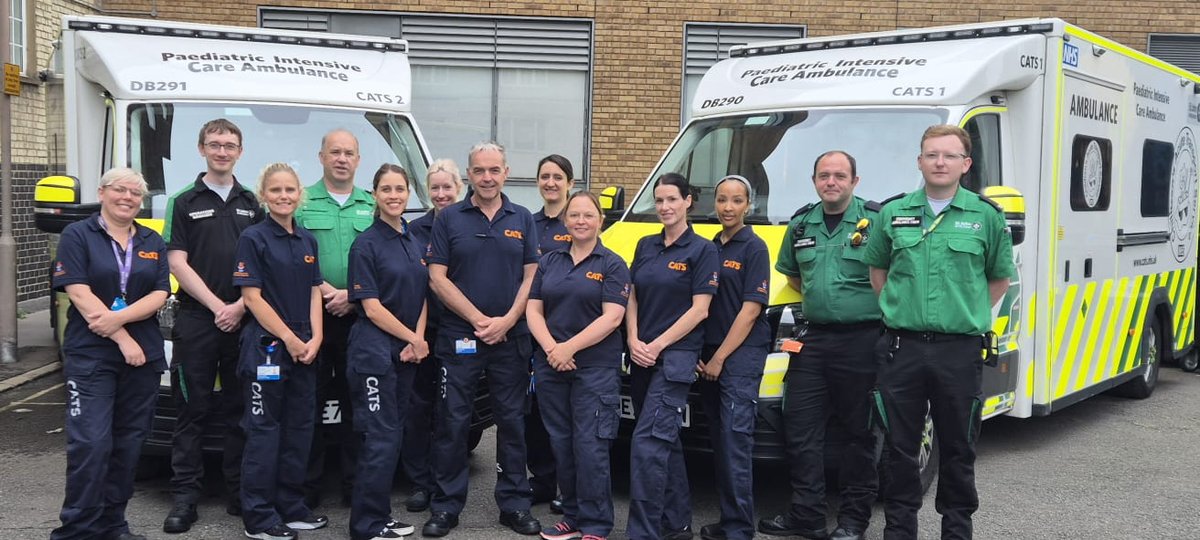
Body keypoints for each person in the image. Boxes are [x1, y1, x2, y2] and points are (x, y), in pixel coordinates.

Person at [864, 125, 1014, 540]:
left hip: (959, 351)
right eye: (931, 155)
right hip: (901, 349)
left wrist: (962, 311)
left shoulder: (985, 216)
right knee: (899, 450)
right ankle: (899, 530)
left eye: (949, 156)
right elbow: (879, 273)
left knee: (958, 449)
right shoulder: (892, 214)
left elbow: (998, 279)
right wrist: (903, 308)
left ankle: (957, 530)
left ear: (966, 164)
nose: (940, 162)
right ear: (920, 161)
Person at [759, 151, 882, 540]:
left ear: (855, 181)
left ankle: (852, 520)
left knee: (858, 434)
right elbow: (795, 278)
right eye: (824, 176)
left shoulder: (877, 222)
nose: (832, 182)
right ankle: (807, 515)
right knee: (800, 428)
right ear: (814, 181)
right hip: (814, 340)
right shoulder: (800, 224)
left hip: (863, 341)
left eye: (840, 175)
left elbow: (894, 275)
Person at [423, 142, 542, 537]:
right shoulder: (449, 219)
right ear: (468, 176)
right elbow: (437, 277)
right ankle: (445, 506)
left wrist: (507, 320)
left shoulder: (522, 218)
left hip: (511, 339)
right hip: (461, 338)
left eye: (494, 170)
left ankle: (514, 505)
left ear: (506, 172)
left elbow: (531, 276)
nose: (487, 177)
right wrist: (478, 319)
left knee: (512, 424)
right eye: (479, 171)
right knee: (452, 423)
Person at [50, 167, 170, 540]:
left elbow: (159, 293)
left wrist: (116, 319)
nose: (128, 198)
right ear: (102, 192)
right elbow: (78, 291)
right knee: (91, 444)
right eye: (120, 189)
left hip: (143, 359)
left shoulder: (152, 238)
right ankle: (78, 530)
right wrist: (122, 337)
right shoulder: (77, 234)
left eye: (136, 193)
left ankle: (113, 525)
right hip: (92, 357)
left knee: (129, 443)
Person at [162, 118, 262, 533]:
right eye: (215, 144)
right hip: (198, 320)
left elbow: (261, 261)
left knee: (242, 411)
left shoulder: (252, 202)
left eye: (230, 145)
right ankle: (186, 498)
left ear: (240, 151)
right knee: (192, 410)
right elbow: (176, 261)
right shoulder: (184, 200)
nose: (223, 151)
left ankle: (239, 492)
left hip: (243, 321)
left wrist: (239, 306)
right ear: (201, 148)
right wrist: (218, 305)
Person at [527, 191, 630, 540]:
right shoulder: (550, 261)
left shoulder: (612, 264)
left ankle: (597, 524)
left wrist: (567, 347)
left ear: (601, 220)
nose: (581, 221)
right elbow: (533, 310)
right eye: (575, 215)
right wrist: (552, 349)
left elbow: (613, 317)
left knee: (590, 446)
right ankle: (571, 516)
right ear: (566, 220)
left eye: (588, 215)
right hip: (551, 366)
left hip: (594, 370)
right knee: (561, 443)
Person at [234, 163, 328, 540]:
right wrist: (289, 338)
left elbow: (314, 291)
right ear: (264, 195)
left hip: (306, 348)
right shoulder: (253, 238)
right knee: (263, 433)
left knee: (300, 431)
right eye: (276, 190)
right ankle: (258, 518)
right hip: (269, 348)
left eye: (290, 189)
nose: (284, 196)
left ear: (299, 194)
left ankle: (292, 508)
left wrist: (317, 338)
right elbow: (251, 297)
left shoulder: (307, 240)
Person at [626, 173, 720, 540]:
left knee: (647, 445)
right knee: (665, 442)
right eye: (659, 200)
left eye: (671, 200)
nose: (664, 207)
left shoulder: (702, 250)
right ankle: (677, 524)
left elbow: (700, 311)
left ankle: (643, 533)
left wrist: (657, 344)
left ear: (688, 201)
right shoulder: (645, 245)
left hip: (674, 358)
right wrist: (633, 338)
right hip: (641, 355)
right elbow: (631, 295)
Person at [345, 164, 429, 540]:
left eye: (400, 189)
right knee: (379, 440)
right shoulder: (366, 244)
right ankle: (366, 525)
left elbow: (423, 295)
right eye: (386, 190)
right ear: (374, 194)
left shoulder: (411, 240)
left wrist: (418, 339)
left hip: (408, 353)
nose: (394, 196)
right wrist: (413, 339)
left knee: (392, 437)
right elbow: (372, 307)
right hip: (375, 356)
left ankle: (380, 516)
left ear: (408, 193)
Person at [295, 129, 373, 508]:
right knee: (309, 402)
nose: (342, 159)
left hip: (359, 319)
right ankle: (308, 488)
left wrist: (352, 296)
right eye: (335, 152)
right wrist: (326, 291)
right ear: (321, 157)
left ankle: (353, 485)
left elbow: (382, 262)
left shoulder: (372, 205)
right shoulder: (301, 203)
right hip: (312, 317)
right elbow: (290, 257)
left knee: (356, 402)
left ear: (358, 160)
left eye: (349, 153)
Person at [697, 175, 771, 540]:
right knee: (720, 440)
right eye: (722, 200)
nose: (728, 207)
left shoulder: (754, 248)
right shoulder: (711, 245)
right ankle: (730, 522)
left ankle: (740, 529)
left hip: (739, 356)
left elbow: (750, 311)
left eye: (737, 201)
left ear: (749, 206)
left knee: (735, 440)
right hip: (711, 354)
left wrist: (719, 358)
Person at [402, 159, 463, 513]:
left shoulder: (470, 226)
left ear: (458, 188)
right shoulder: (414, 230)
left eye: (447, 187)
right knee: (418, 408)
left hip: (458, 333)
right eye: (435, 188)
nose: (441, 194)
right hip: (422, 331)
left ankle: (444, 481)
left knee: (450, 413)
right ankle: (420, 483)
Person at [527, 154, 576, 511]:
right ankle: (542, 480)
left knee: (567, 415)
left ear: (569, 183)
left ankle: (566, 486)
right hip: (533, 329)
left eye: (558, 177)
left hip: (569, 333)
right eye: (545, 177)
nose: (550, 183)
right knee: (536, 413)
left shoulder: (578, 222)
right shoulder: (529, 223)